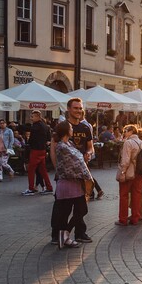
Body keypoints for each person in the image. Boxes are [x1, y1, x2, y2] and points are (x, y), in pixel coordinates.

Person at [50, 120, 93, 248]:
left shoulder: (69, 144)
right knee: (66, 212)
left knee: (81, 210)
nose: (72, 129)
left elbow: (79, 160)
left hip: (75, 184)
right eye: (70, 128)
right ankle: (64, 237)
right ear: (66, 131)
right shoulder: (62, 147)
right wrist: (89, 178)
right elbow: (77, 163)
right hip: (68, 184)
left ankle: (65, 235)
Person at [63, 98, 95, 241]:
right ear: (69, 109)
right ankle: (60, 233)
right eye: (75, 108)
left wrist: (89, 153)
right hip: (68, 172)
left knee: (82, 204)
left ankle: (79, 233)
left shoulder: (85, 127)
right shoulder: (64, 126)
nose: (78, 111)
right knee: (66, 205)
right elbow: (55, 147)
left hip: (83, 170)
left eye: (80, 108)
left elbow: (90, 146)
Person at [116, 124, 142, 225]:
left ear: (131, 131)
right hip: (139, 173)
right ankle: (135, 218)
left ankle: (123, 219)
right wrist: (139, 161)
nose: (124, 133)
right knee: (137, 195)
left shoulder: (128, 142)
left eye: (125, 131)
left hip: (129, 173)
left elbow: (125, 160)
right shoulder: (141, 143)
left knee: (124, 195)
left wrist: (123, 172)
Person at [22, 110, 53, 195]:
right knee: (43, 170)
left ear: (37, 116)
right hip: (42, 150)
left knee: (31, 170)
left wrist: (29, 143)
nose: (31, 118)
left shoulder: (35, 127)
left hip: (35, 150)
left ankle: (31, 188)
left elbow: (32, 139)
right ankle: (49, 187)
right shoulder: (45, 126)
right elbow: (48, 139)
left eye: (32, 117)